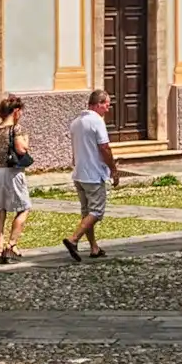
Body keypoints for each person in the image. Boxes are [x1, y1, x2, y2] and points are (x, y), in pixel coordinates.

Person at [62, 88, 120, 261]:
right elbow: (104, 147)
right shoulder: (97, 122)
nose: (108, 110)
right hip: (93, 174)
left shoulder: (76, 122)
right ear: (98, 104)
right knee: (96, 212)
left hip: (79, 173)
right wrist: (113, 169)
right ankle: (73, 239)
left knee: (87, 212)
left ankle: (94, 247)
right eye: (107, 105)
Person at [0, 96, 36, 263]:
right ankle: (11, 244)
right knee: (24, 208)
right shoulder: (16, 128)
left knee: (0, 211)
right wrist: (27, 142)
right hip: (12, 173)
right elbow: (21, 149)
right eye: (20, 110)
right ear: (16, 111)